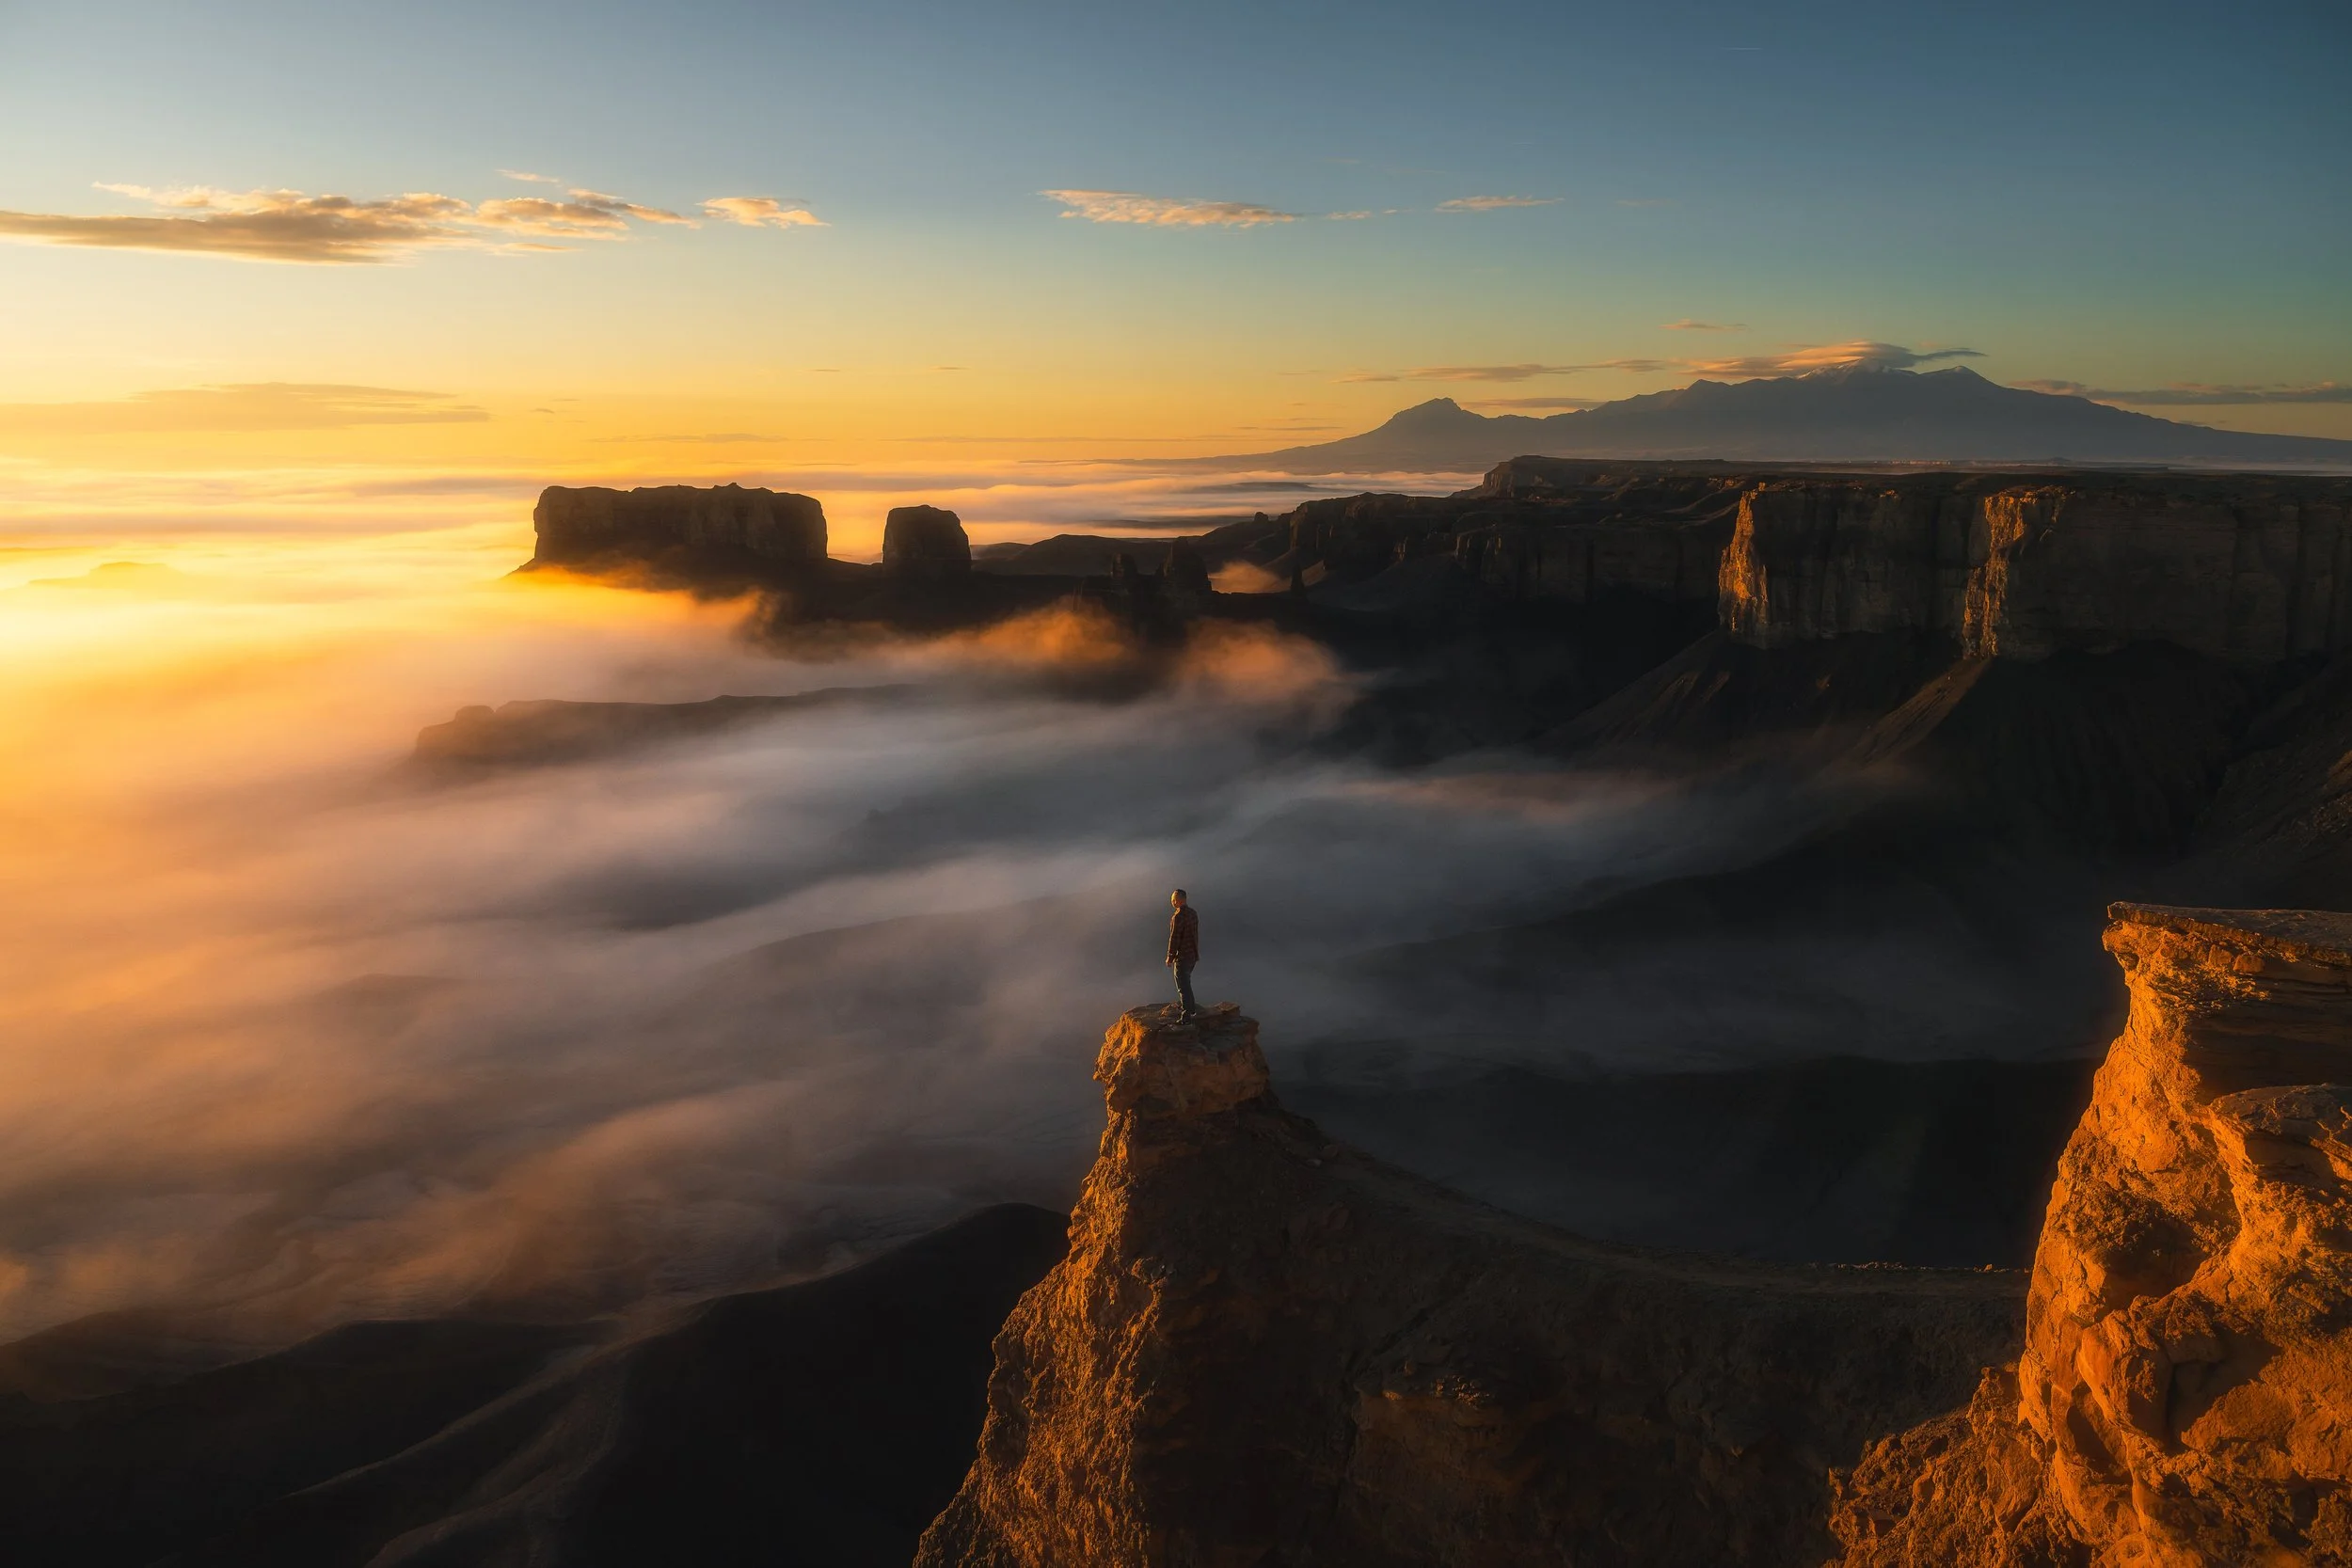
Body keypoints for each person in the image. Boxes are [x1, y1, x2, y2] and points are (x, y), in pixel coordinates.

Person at [1166, 888, 1200, 1019]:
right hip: (1192, 954)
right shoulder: (1193, 913)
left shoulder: (1178, 917)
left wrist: (1170, 957)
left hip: (1182, 956)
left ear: (1179, 900)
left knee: (1183, 986)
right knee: (1187, 982)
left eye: (1174, 900)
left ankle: (1187, 1015)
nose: (1173, 902)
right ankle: (1191, 1010)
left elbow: (1174, 938)